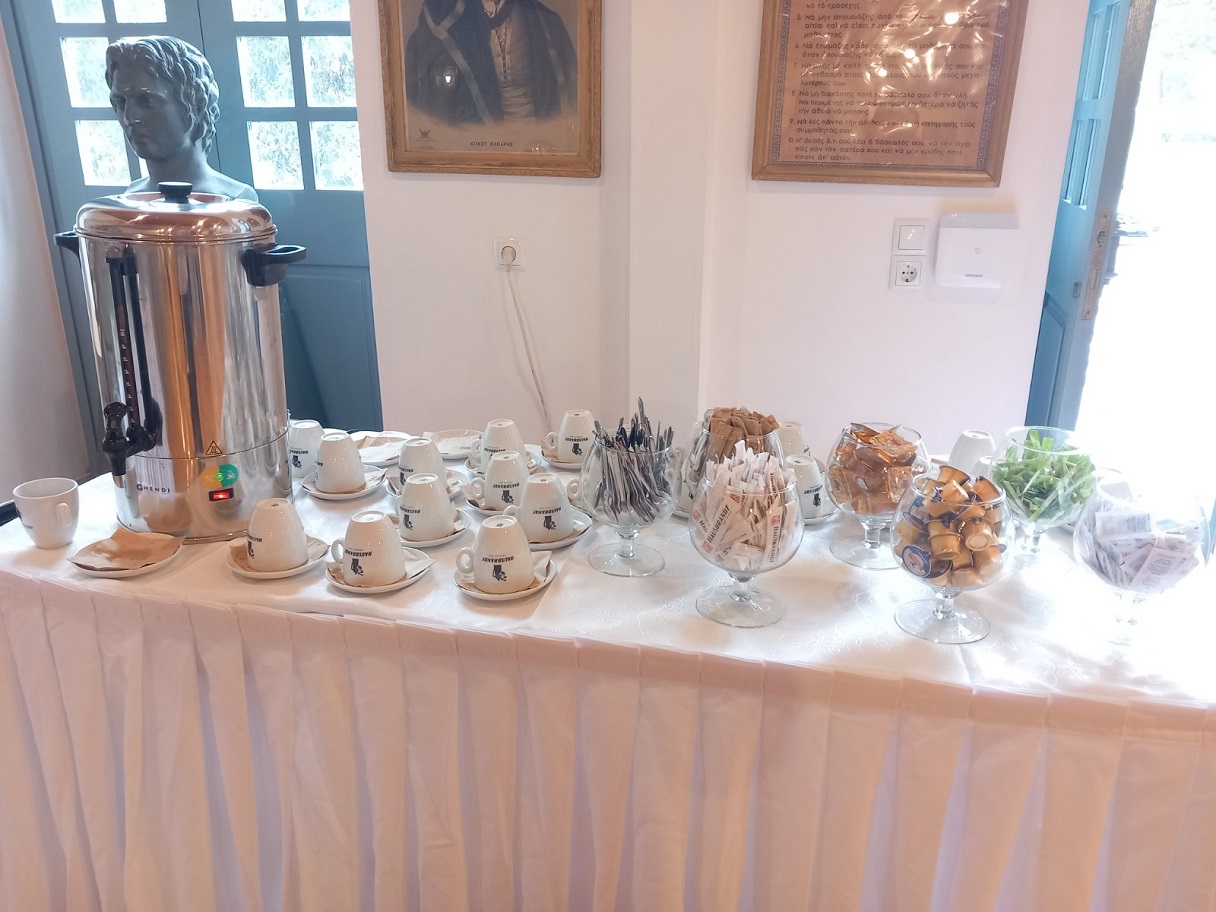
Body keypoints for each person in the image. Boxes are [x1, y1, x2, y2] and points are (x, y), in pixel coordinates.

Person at [106, 36, 257, 201]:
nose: (129, 118)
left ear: (196, 105)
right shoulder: (131, 196)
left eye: (148, 101)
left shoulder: (234, 199)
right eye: (120, 102)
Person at [405, 0, 577, 126]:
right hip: (477, 143)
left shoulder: (546, 23)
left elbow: (572, 98)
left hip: (533, 138)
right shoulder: (445, 25)